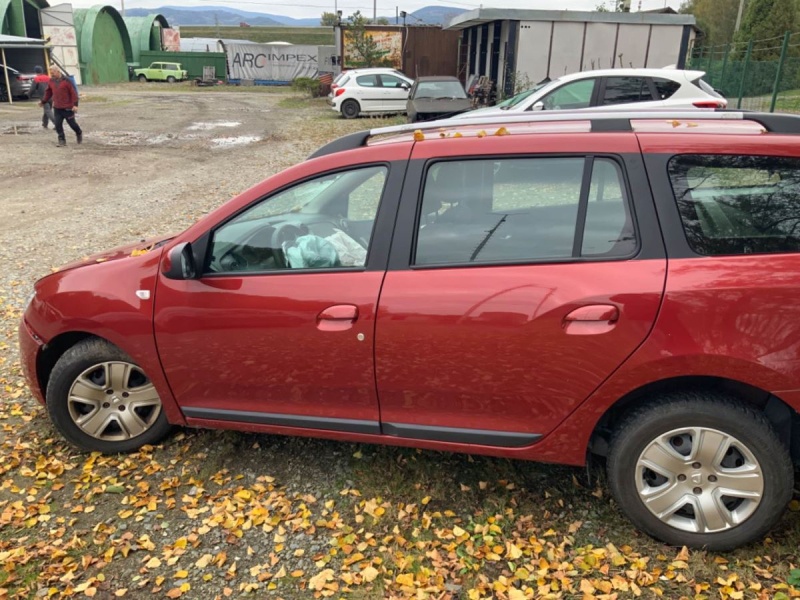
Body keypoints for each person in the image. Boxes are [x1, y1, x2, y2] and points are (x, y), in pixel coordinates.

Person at [41, 66, 82, 147]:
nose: (52, 75)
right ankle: (62, 140)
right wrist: (43, 101)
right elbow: (48, 92)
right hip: (57, 107)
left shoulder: (67, 81)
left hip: (68, 107)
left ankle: (79, 132)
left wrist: (75, 105)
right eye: (51, 73)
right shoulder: (51, 81)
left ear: (58, 71)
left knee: (72, 124)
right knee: (58, 124)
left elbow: (74, 93)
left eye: (53, 73)